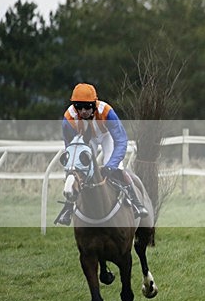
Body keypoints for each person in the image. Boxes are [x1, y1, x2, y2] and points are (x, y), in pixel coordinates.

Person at [54, 83, 149, 225]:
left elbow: (121, 140)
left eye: (87, 107)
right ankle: (68, 208)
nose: (83, 111)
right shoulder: (68, 118)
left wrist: (111, 165)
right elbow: (70, 146)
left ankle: (136, 202)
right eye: (79, 107)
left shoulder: (106, 111)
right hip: (85, 139)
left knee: (118, 169)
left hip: (106, 136)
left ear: (94, 104)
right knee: (75, 171)